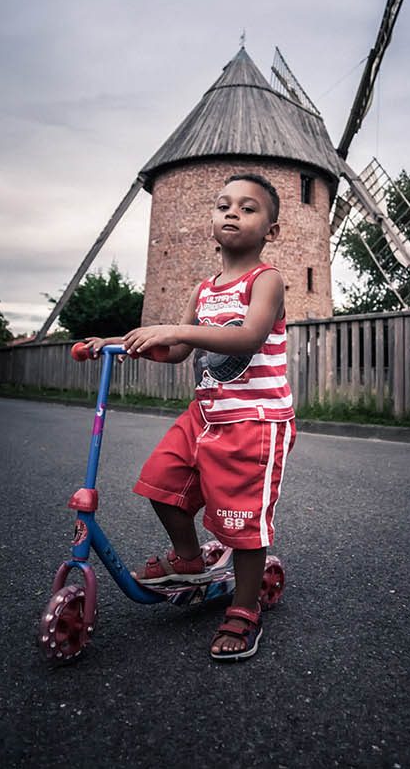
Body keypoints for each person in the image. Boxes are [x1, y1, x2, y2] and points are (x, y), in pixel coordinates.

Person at [83, 172, 295, 662]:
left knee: (243, 523)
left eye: (248, 207)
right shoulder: (204, 290)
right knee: (161, 483)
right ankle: (190, 559)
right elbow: (179, 349)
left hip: (253, 421)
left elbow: (247, 337)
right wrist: (122, 343)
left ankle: (244, 610)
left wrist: (175, 328)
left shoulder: (266, 280)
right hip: (204, 414)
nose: (232, 213)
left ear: (272, 230)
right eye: (223, 205)